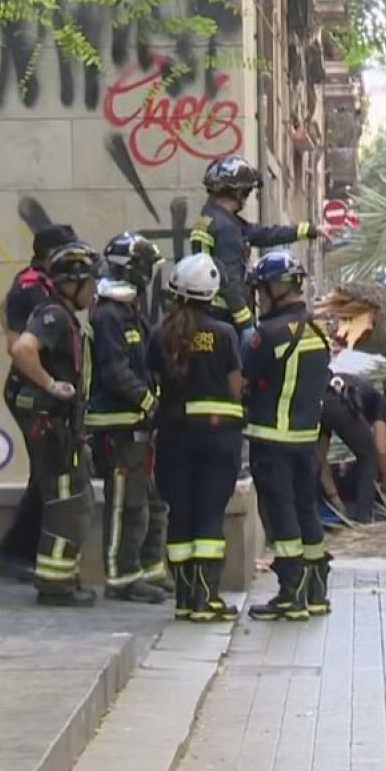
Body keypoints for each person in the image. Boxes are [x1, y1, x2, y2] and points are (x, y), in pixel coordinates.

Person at [149, 253, 244, 622]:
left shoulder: (161, 335)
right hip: (219, 438)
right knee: (209, 518)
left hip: (174, 436)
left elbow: (153, 381)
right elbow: (235, 387)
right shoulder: (224, 333)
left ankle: (186, 598)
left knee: (181, 515)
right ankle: (207, 599)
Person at [5, 241, 99, 606]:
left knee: (75, 500)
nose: (92, 291)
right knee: (64, 502)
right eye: (88, 283)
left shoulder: (66, 317)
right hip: (52, 428)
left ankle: (64, 579)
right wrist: (50, 385)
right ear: (70, 283)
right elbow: (22, 350)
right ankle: (55, 586)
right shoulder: (53, 316)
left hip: (65, 426)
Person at [242, 251, 332, 620]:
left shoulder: (268, 335)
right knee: (306, 511)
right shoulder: (317, 332)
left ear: (278, 288)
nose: (260, 297)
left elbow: (244, 381)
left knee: (282, 518)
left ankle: (290, 593)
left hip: (271, 440)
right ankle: (316, 591)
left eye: (262, 289)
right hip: (305, 442)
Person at [0, 223, 80, 581]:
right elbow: (20, 347)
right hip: (33, 392)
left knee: (44, 472)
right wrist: (50, 383)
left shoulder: (30, 280)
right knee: (46, 475)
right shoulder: (34, 288)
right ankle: (16, 551)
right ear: (49, 255)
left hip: (34, 390)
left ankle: (21, 551)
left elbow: (3, 310)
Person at [88, 233, 169, 604]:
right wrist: (151, 402)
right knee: (125, 503)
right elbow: (116, 371)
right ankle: (121, 578)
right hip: (118, 426)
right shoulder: (108, 314)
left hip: (138, 426)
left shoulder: (129, 310)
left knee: (151, 500)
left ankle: (150, 569)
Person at [188, 155, 331, 340]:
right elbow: (230, 280)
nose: (246, 197)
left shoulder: (212, 218)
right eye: (246, 191)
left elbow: (264, 234)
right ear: (236, 191)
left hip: (208, 312)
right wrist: (245, 323)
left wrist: (309, 230)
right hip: (224, 314)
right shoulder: (225, 227)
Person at [318, 372, 386, 526]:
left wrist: (336, 500)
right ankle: (363, 519)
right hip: (341, 401)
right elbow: (381, 449)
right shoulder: (379, 402)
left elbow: (321, 458)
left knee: (316, 459)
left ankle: (333, 508)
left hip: (319, 400)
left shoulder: (350, 387)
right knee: (369, 456)